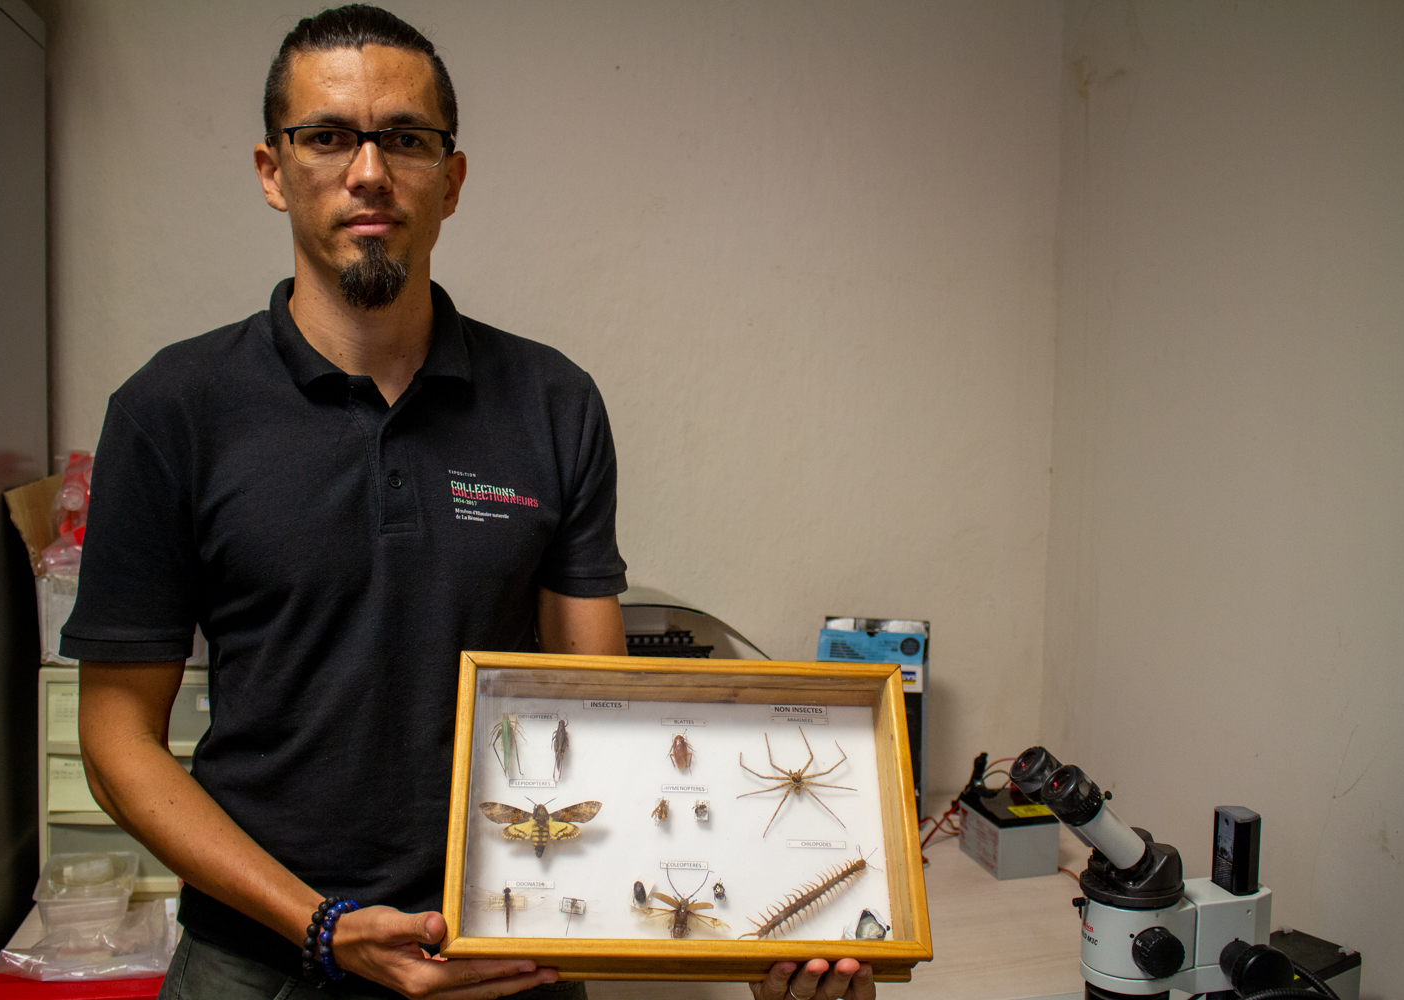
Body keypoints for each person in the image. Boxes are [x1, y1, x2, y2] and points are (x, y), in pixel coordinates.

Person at [64, 7, 875, 1000]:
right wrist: (319, 927)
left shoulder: (552, 400)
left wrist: (763, 924)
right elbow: (114, 741)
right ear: (273, 170)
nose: (368, 171)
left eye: (405, 138)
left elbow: (602, 705)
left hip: (507, 954)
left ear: (450, 179)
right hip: (259, 958)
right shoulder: (170, 410)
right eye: (327, 137)